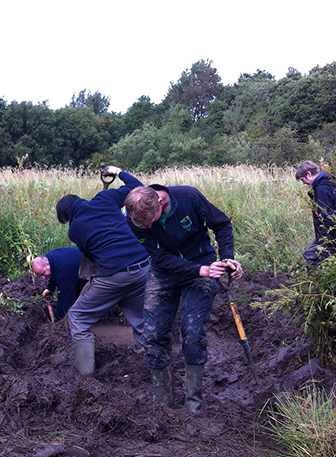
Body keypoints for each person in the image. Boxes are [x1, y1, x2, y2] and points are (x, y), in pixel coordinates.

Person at [124, 183, 243, 413]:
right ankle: (162, 404)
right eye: (144, 225)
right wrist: (201, 271)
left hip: (201, 262)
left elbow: (222, 224)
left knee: (192, 332)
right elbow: (160, 258)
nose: (149, 227)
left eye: (151, 221)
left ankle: (192, 406)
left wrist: (227, 258)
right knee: (153, 333)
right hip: (165, 272)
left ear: (160, 202)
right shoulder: (135, 220)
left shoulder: (188, 197)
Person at [55, 165, 150, 377]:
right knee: (141, 321)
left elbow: (92, 256)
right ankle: (159, 368)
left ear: (67, 215)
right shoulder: (105, 199)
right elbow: (138, 188)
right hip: (143, 267)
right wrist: (118, 172)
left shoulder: (74, 230)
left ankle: (86, 380)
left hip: (117, 274)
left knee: (78, 318)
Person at [31, 247, 87, 322]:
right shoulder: (49, 257)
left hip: (95, 267)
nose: (43, 278)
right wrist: (50, 289)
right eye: (40, 275)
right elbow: (54, 272)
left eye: (43, 273)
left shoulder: (64, 271)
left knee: (79, 298)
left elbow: (64, 298)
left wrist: (58, 321)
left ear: (47, 264)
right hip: (76, 266)